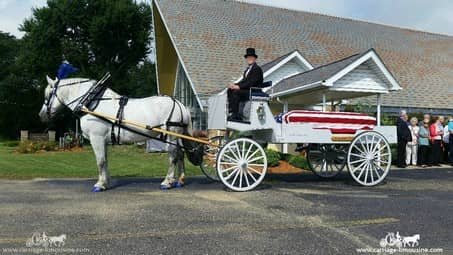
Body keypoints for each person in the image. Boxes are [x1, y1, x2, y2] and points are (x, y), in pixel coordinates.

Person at [227, 48, 263, 121]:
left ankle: (236, 114)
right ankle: (232, 111)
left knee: (236, 92)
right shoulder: (247, 70)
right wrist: (234, 85)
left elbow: (251, 82)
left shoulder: (257, 69)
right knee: (230, 90)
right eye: (248, 57)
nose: (249, 59)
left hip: (253, 91)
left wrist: (239, 87)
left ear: (254, 58)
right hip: (247, 90)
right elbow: (244, 81)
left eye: (251, 57)